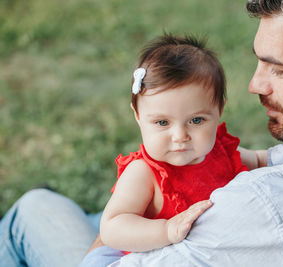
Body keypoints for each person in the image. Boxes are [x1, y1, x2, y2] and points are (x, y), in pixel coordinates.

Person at [1, 0, 283, 266]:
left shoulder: (263, 210)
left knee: (33, 210)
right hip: (143, 219)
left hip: (137, 245)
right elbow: (264, 160)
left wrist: (140, 234)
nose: (255, 84)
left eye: (277, 68)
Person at [98, 33, 259, 257]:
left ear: (219, 110)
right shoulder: (144, 173)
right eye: (162, 122)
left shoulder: (221, 151)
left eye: (196, 120)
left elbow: (263, 160)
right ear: (137, 115)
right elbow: (111, 227)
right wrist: (166, 229)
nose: (180, 136)